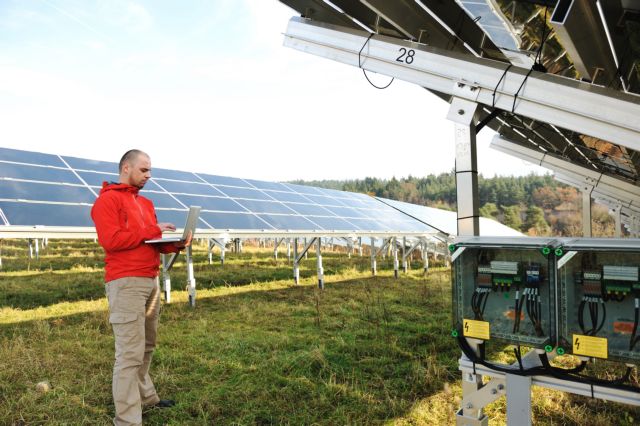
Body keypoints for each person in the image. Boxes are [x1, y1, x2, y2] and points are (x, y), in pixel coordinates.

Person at [91, 149, 190, 426]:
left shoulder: (145, 203)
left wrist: (174, 244)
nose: (149, 176)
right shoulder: (107, 202)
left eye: (150, 171)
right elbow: (112, 240)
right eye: (144, 170)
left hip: (150, 280)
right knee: (129, 352)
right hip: (126, 283)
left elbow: (148, 243)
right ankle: (127, 420)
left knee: (146, 345)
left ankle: (147, 398)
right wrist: (154, 229)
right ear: (126, 168)